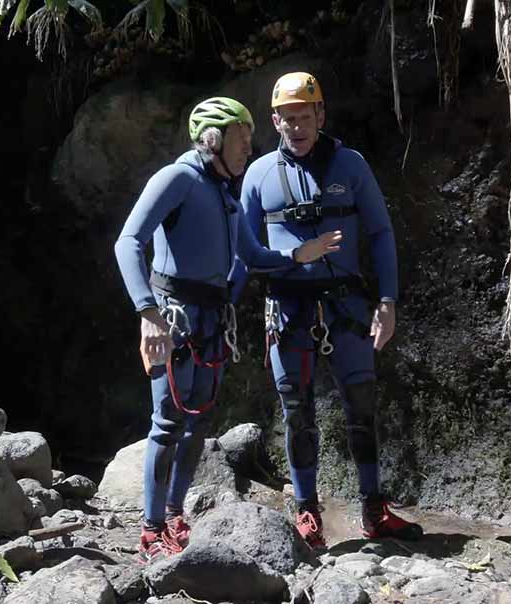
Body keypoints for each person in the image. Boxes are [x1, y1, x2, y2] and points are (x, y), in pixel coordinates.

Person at [114, 96, 342, 561]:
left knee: (198, 421)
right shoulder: (178, 178)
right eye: (241, 139)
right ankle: (151, 530)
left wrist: (301, 255)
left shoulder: (225, 194)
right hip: (173, 316)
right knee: (167, 422)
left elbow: (253, 257)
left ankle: (175, 515)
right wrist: (147, 314)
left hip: (212, 320)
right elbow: (128, 242)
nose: (248, 148)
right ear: (213, 139)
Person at [232, 73, 423, 549]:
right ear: (275, 120)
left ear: (321, 114)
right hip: (287, 310)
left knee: (362, 408)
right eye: (287, 118)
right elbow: (244, 253)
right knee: (297, 414)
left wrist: (387, 301)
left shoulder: (350, 166)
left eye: (304, 116)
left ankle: (374, 511)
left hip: (348, 307)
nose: (296, 126)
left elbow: (379, 234)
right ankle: (306, 512)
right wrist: (224, 310)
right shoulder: (258, 175)